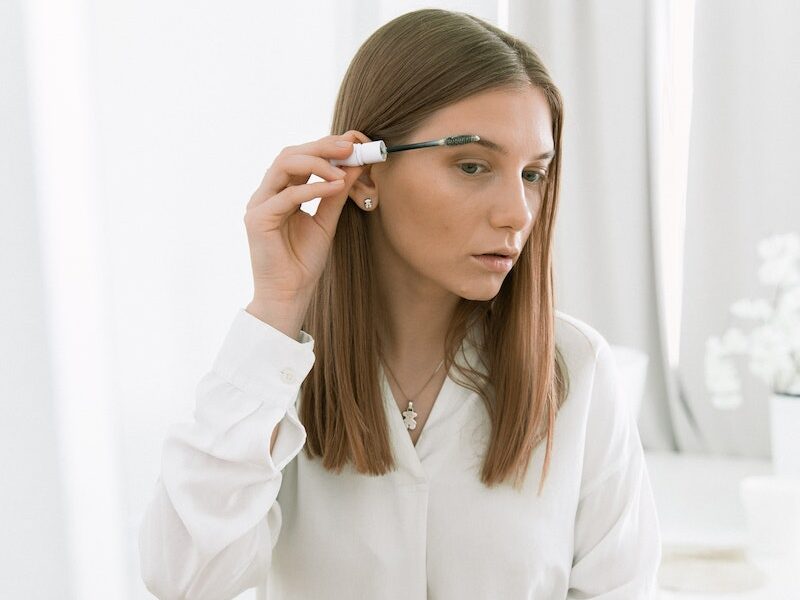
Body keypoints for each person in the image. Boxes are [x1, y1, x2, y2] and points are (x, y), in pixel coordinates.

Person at [138, 8, 662, 599]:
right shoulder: (275, 376)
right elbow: (185, 577)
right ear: (365, 176)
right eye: (472, 166)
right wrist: (277, 305)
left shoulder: (576, 368)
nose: (517, 213)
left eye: (533, 174)